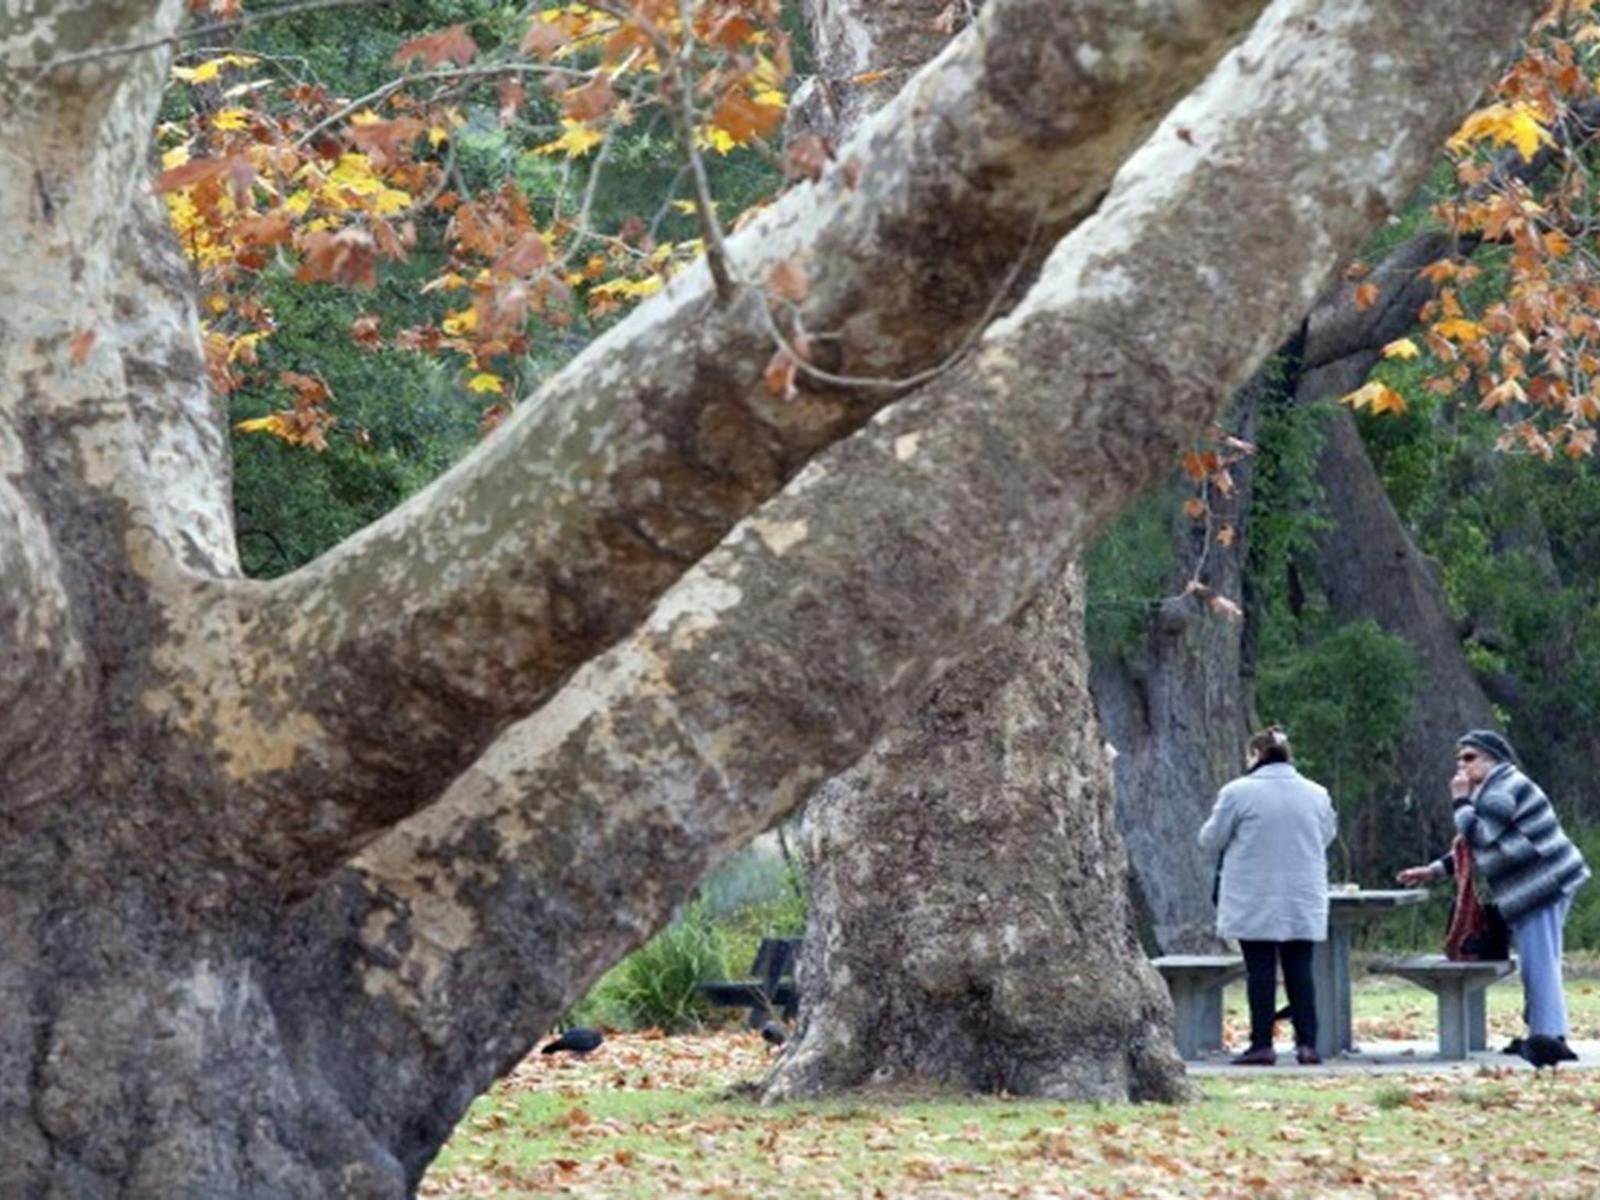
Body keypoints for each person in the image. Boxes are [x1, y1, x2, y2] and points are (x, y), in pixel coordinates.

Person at [1397, 730, 1589, 1052]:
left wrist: (1459, 799)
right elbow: (1476, 845)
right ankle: (1543, 1036)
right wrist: (1433, 870)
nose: (1462, 766)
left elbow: (1482, 835)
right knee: (1538, 960)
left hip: (1544, 882)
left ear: (1493, 759)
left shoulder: (1502, 789)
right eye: (1458, 760)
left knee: (1540, 962)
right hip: (1543, 880)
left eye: (1470, 758)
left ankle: (1549, 1039)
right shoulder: (1493, 789)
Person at [1199, 727, 1337, 1066]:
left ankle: (1261, 1043)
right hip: (1302, 894)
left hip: (1253, 893)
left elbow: (1211, 839)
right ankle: (1308, 1043)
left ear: (1256, 754)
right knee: (1300, 969)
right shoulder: (1316, 793)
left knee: (1259, 970)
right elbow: (1327, 835)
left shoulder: (1237, 792)